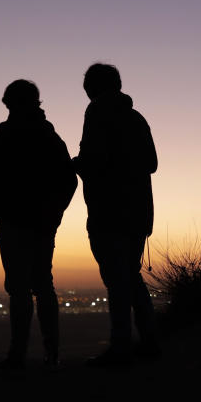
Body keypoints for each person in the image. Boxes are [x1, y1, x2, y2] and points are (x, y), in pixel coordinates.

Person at [0, 80, 77, 369]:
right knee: (42, 284)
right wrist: (54, 213)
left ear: (8, 102)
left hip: (15, 221)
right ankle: (51, 355)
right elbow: (68, 180)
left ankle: (18, 356)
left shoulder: (3, 134)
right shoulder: (49, 136)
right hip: (39, 222)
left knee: (20, 287)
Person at [74, 64, 158, 366]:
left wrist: (78, 164)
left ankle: (121, 347)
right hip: (137, 211)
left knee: (117, 279)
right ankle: (148, 340)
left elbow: (95, 160)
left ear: (92, 88)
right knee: (130, 277)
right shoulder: (136, 117)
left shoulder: (96, 113)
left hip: (108, 210)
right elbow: (151, 163)